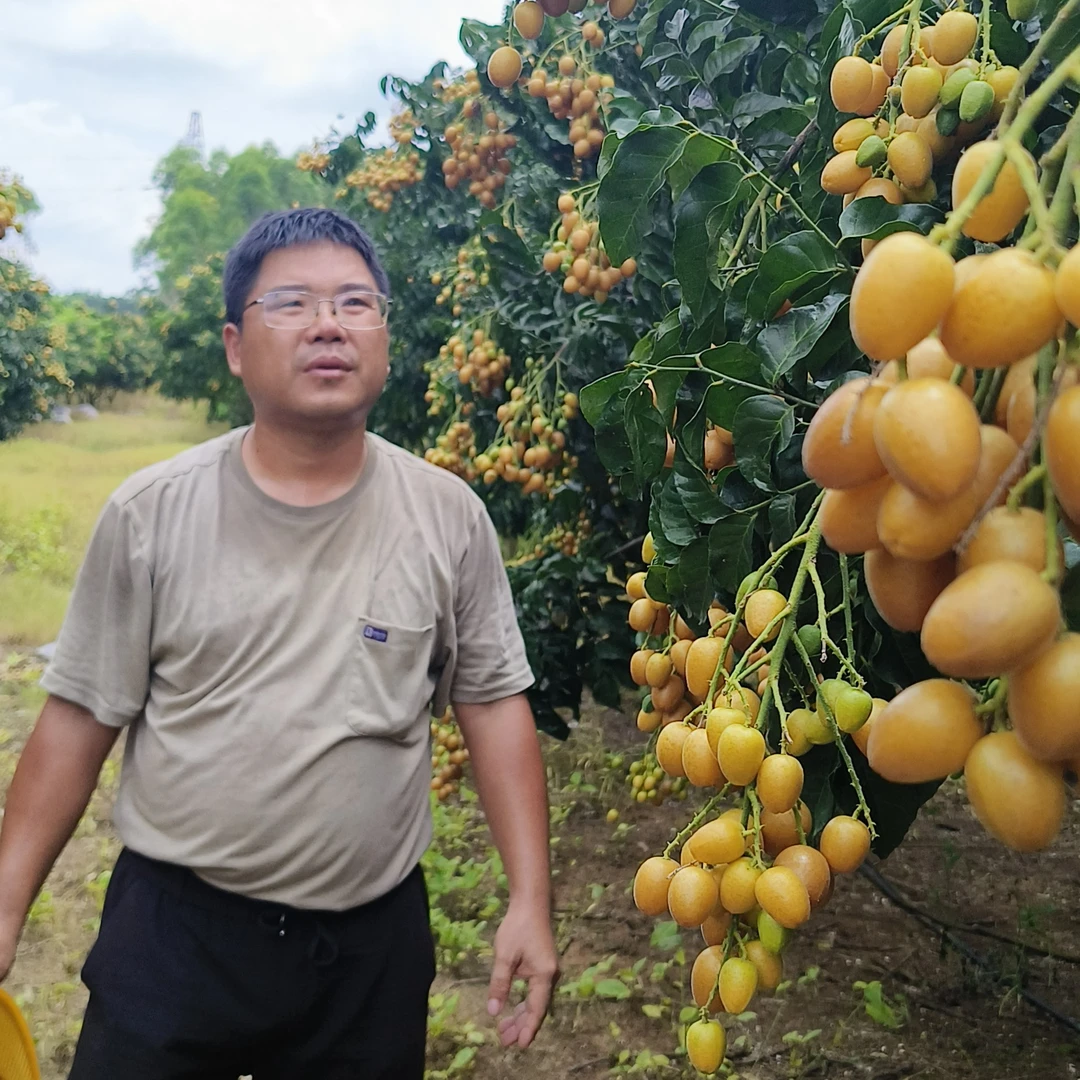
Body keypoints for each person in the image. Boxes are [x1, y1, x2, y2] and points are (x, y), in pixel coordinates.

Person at [0, 207, 559, 1079]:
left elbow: (491, 704)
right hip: (177, 940)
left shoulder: (447, 516)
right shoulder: (152, 513)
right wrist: (6, 903)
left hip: (368, 954)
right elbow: (79, 718)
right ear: (234, 345)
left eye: (355, 303)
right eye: (291, 303)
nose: (328, 324)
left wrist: (531, 898)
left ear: (382, 334)